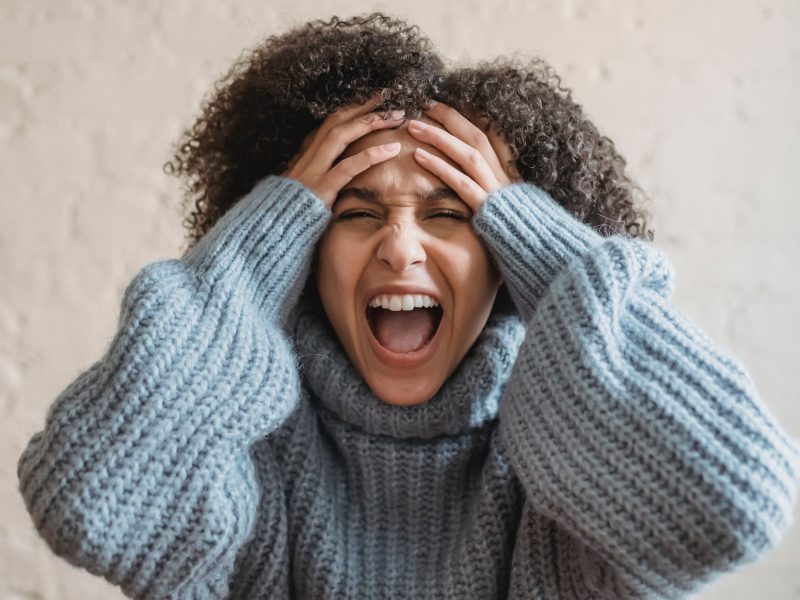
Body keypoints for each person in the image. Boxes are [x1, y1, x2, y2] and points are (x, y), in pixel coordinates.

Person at [17, 12, 800, 600]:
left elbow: (736, 503)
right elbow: (88, 501)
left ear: (509, 254)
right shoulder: (246, 455)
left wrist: (551, 254)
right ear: (303, 250)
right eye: (354, 213)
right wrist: (255, 253)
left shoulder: (573, 465)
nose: (399, 248)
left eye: (452, 214)